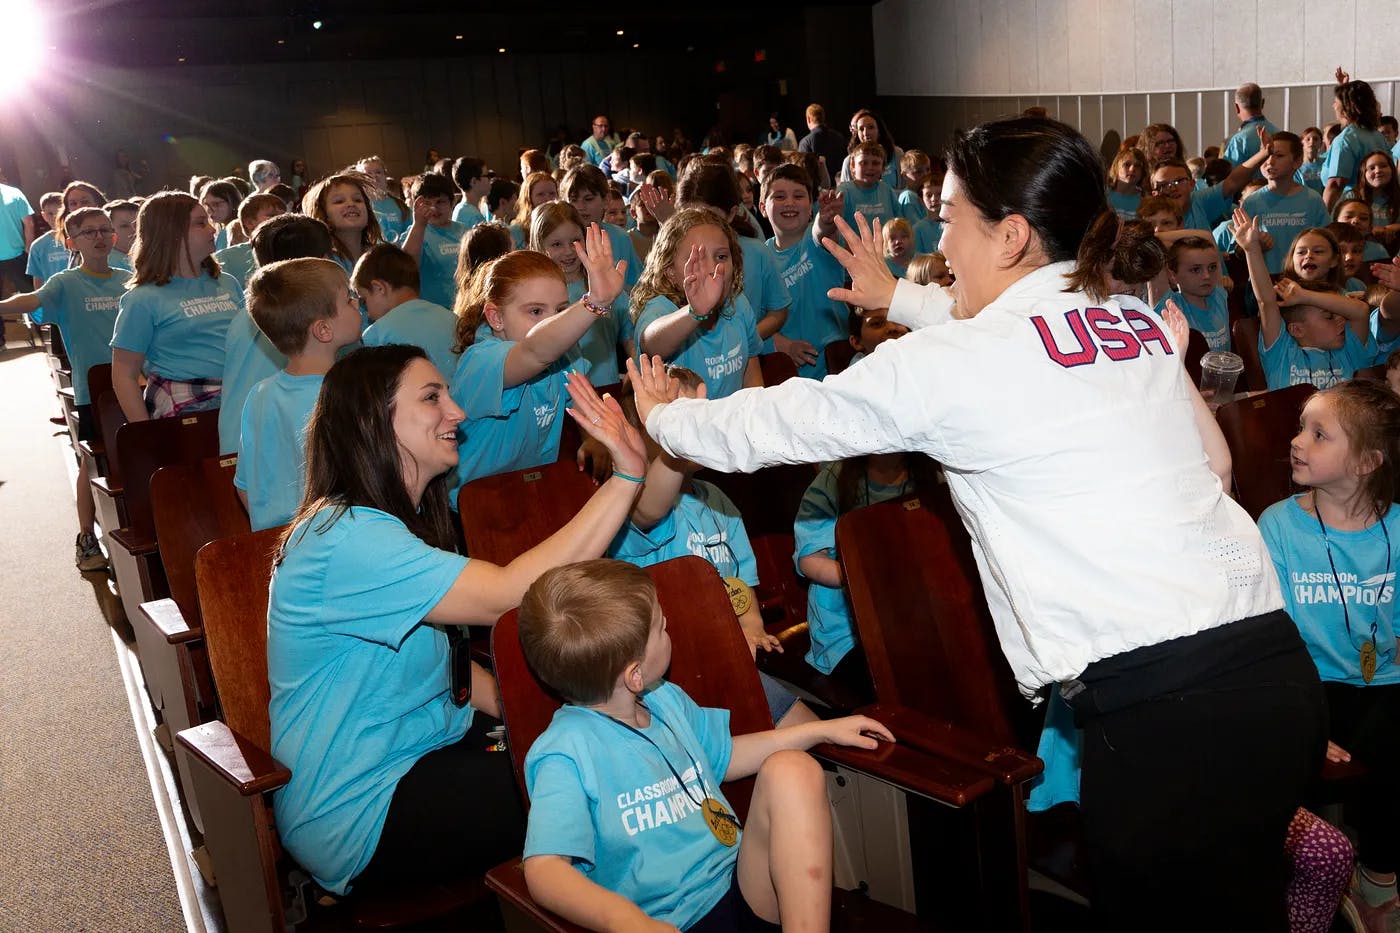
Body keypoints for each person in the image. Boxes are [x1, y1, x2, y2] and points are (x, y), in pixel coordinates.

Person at [628, 116, 1327, 931]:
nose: (941, 236)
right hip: (1277, 679)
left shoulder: (961, 363)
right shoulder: (1130, 321)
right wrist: (904, 297)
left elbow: (796, 418)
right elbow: (1212, 469)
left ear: (1012, 233)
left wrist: (669, 422)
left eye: (952, 216)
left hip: (1164, 719)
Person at [267, 339, 647, 898]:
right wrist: (626, 479)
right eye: (431, 397)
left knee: (596, 743)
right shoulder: (346, 539)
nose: (458, 411)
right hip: (360, 808)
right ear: (374, 422)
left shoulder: (397, 523)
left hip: (431, 752)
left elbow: (456, 673)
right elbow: (506, 595)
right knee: (590, 776)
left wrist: (541, 717)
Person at [517, 558, 892, 932]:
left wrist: (820, 731)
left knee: (794, 768)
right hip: (664, 921)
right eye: (661, 629)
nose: (669, 629)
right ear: (634, 674)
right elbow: (544, 870)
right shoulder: (564, 751)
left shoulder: (665, 698)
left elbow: (724, 757)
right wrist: (624, 921)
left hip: (737, 886)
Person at [1257, 381, 1400, 929]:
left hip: (1381, 676)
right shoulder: (1279, 525)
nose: (1297, 442)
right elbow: (1273, 634)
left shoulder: (1396, 528)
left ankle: (1376, 875)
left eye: (1319, 435)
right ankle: (1307, 874)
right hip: (1307, 679)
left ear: (1366, 461)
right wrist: (1306, 716)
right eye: (1301, 427)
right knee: (1298, 752)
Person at [446, 226, 625, 505]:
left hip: (530, 494)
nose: (550, 321)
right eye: (535, 311)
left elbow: (581, 397)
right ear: (496, 318)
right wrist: (594, 303)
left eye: (561, 310)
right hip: (475, 505)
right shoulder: (481, 360)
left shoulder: (563, 354)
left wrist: (592, 437)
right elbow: (534, 352)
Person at [0, 206, 125, 569]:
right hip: (94, 394)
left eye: (105, 230)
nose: (100, 237)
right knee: (91, 464)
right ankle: (87, 536)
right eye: (89, 232)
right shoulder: (65, 282)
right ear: (72, 241)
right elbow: (29, 302)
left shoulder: (128, 280)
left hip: (136, 387)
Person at [234, 258, 363, 531]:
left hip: (283, 547)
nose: (357, 302)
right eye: (348, 299)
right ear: (323, 330)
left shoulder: (258, 395)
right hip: (338, 544)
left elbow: (245, 488)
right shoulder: (345, 397)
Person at [110, 191, 242, 421]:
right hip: (190, 409)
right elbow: (124, 375)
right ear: (171, 234)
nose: (212, 229)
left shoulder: (227, 282)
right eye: (201, 223)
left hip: (237, 394)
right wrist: (146, 435)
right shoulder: (143, 298)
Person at [218, 215, 335, 456]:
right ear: (323, 262)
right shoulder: (316, 317)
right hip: (278, 449)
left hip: (234, 448)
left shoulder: (243, 316)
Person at [632, 209, 763, 401]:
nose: (713, 269)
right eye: (697, 260)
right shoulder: (661, 309)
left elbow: (751, 369)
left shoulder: (737, 303)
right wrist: (694, 313)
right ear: (670, 272)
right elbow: (651, 344)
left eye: (721, 257)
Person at [1233, 209, 1373, 389]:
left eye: (1318, 251)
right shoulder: (1282, 353)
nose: (1341, 322)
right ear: (1297, 329)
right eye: (1329, 317)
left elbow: (1361, 311)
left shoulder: (1347, 351)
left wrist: (1304, 295)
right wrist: (1252, 250)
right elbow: (1266, 302)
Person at [529, 201, 631, 384]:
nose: (568, 252)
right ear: (539, 246)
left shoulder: (603, 284)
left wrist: (635, 367)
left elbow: (628, 333)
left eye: (575, 241)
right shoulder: (535, 296)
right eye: (556, 244)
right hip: (560, 397)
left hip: (606, 388)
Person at [762, 164, 847, 378]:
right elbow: (752, 322)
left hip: (838, 366)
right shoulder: (759, 257)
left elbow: (822, 231)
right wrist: (783, 345)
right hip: (790, 377)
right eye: (779, 196)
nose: (789, 202)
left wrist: (826, 219)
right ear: (763, 207)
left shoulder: (814, 239)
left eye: (798, 196)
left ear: (811, 207)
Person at [354, 243, 459, 382]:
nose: (367, 314)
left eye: (364, 301)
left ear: (379, 288)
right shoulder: (453, 320)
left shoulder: (376, 335)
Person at [1240, 131, 1331, 274]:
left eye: (1279, 155)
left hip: (1304, 279)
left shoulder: (1312, 199)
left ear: (1297, 161)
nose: (1270, 161)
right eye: (1266, 155)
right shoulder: (1251, 202)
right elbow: (1240, 249)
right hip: (1264, 279)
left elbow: (1326, 243)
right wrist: (1255, 245)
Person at [1323, 71, 1390, 210]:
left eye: (1336, 102)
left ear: (1347, 107)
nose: (1333, 106)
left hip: (1351, 210)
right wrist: (1346, 88)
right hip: (1377, 209)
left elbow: (1336, 183)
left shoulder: (1345, 140)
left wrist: (1322, 219)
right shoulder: (1376, 136)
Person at [400, 172, 468, 309]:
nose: (433, 208)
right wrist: (419, 224)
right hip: (430, 312)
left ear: (452, 202)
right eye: (426, 203)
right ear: (415, 205)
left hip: (463, 309)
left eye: (440, 202)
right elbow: (407, 269)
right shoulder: (414, 233)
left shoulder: (465, 231)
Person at [1153, 236, 1230, 352]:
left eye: (1212, 267)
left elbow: (1207, 236)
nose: (1207, 276)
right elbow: (1153, 245)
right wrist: (1162, 235)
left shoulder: (1218, 295)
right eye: (1196, 270)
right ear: (1173, 275)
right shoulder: (1169, 305)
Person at [304, 172, 385, 277]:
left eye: (357, 200)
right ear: (323, 214)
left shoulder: (380, 256)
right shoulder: (323, 262)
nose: (351, 204)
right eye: (339, 201)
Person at [212, 193, 287, 292]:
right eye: (272, 216)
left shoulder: (290, 250)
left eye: (284, 215)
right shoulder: (225, 258)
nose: (282, 220)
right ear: (250, 223)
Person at [1224, 83, 1281, 172]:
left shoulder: (1238, 141)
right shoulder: (1280, 134)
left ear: (1237, 107)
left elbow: (1229, 178)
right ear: (1262, 103)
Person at [0, 171, 33, 301]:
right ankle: (40, 320)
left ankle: (40, 320)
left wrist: (28, 247)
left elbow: (29, 223)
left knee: (29, 294)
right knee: (29, 294)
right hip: (18, 254)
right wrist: (28, 247)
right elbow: (29, 223)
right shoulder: (15, 192)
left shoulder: (14, 193)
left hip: (17, 254)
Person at [796, 103, 847, 185]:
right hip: (841, 186)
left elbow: (803, 173)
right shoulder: (839, 137)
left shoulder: (805, 142)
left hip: (819, 192)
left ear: (808, 119)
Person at [1105, 147, 1148, 220]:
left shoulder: (1145, 200)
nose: (1132, 169)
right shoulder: (1104, 195)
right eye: (1127, 164)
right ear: (1116, 168)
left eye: (1137, 166)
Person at [450, 157, 491, 229]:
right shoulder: (472, 216)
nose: (489, 180)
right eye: (487, 176)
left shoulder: (461, 208)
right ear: (473, 181)